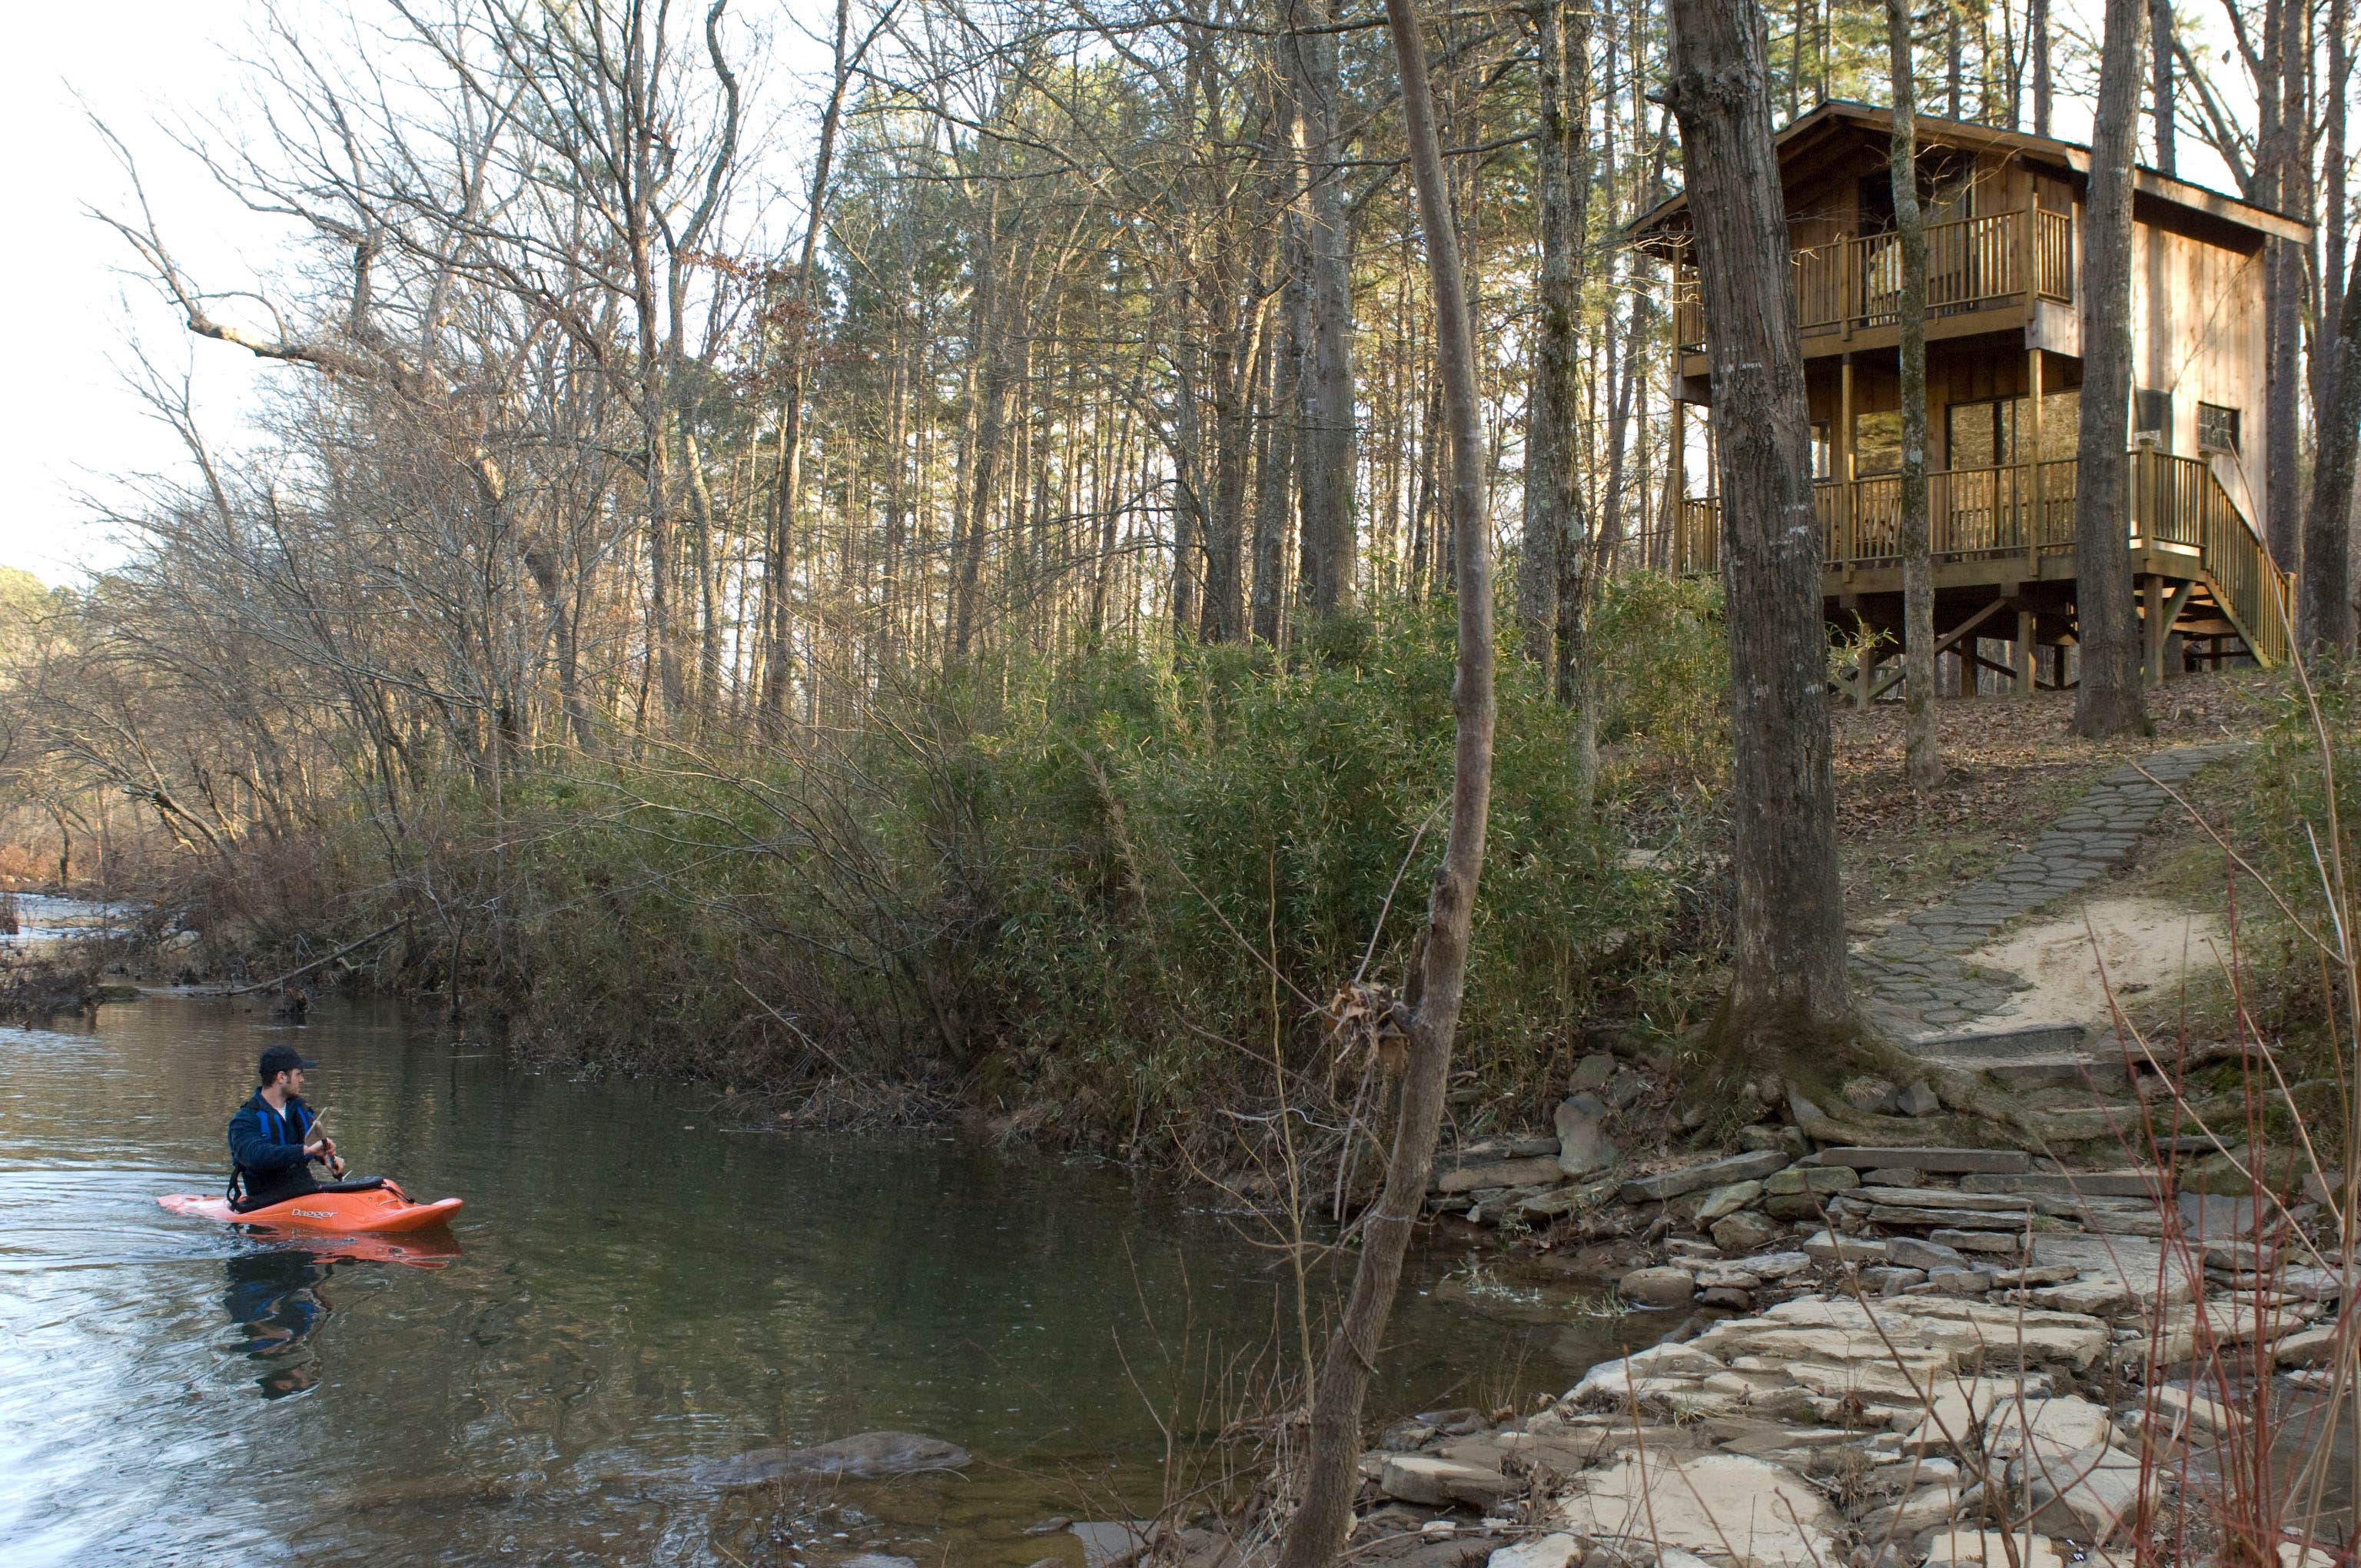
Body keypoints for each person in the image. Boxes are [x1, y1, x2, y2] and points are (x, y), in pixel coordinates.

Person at [227, 1045, 345, 1211]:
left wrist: (325, 1157)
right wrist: (306, 1151)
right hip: (267, 1200)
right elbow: (254, 1155)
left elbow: (312, 1145)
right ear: (281, 1077)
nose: (302, 1080)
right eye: (298, 1074)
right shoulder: (245, 1119)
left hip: (304, 1190)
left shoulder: (299, 1110)